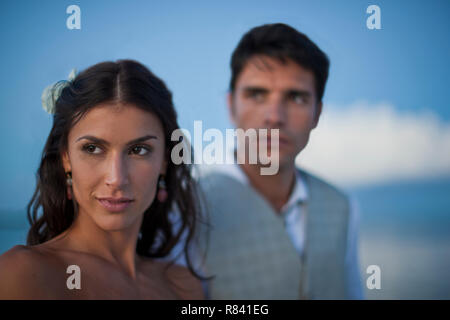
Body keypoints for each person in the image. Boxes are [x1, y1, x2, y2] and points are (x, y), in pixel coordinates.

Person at [0, 60, 204, 299]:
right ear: (66, 158)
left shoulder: (183, 286)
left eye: (138, 150)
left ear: (164, 162)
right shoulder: (22, 275)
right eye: (93, 148)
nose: (116, 178)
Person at [196, 23, 364, 299]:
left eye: (296, 97)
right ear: (230, 105)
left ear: (317, 113)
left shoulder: (344, 207)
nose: (274, 116)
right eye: (257, 94)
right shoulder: (188, 208)